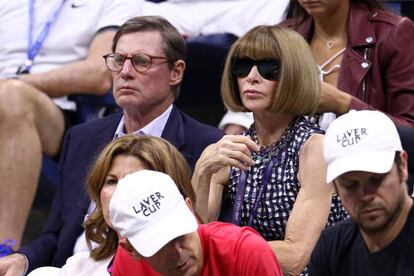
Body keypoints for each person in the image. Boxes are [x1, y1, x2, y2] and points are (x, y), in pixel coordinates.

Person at [0, 15, 223, 275]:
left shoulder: (207, 145)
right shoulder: (81, 138)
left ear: (176, 72)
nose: (125, 72)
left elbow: (203, 244)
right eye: (118, 60)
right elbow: (57, 234)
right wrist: (23, 259)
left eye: (142, 62)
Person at [192, 25, 348, 276]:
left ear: (294, 74)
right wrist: (202, 172)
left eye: (268, 68)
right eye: (242, 67)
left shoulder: (315, 148)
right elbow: (192, 247)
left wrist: (221, 246)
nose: (252, 76)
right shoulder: (230, 148)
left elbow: (295, 258)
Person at [0, 0, 142, 250]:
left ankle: (4, 250)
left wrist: (13, 84)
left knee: (12, 98)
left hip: (59, 114)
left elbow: (98, 73)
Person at [220, 0, 414, 133]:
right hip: (291, 174)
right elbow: (249, 111)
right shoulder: (283, 35)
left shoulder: (392, 33)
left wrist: (344, 104)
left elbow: (409, 133)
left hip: (363, 173)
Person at [28, 134, 198, 275]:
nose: (121, 192)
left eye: (134, 179)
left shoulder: (187, 261)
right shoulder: (79, 267)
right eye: (111, 181)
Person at [110, 169, 283, 276]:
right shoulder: (127, 263)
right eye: (160, 245)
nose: (177, 252)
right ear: (131, 249)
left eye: (180, 234)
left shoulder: (246, 251)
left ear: (190, 209)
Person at [309, 110, 414, 275]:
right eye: (350, 185)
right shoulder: (330, 247)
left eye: (377, 179)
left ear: (403, 166)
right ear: (335, 187)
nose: (365, 195)